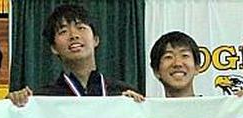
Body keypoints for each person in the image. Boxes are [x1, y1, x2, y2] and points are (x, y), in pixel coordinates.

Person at [8, 3, 143, 104]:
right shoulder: (42, 99)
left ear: (96, 40)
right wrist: (13, 104)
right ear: (54, 48)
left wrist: (136, 107)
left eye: (81, 27)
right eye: (63, 31)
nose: (74, 35)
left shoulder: (123, 94)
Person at [149, 31, 200, 98]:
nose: (177, 63)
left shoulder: (214, 107)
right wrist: (131, 103)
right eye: (168, 57)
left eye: (184, 55)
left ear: (197, 67)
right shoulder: (147, 108)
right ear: (156, 71)